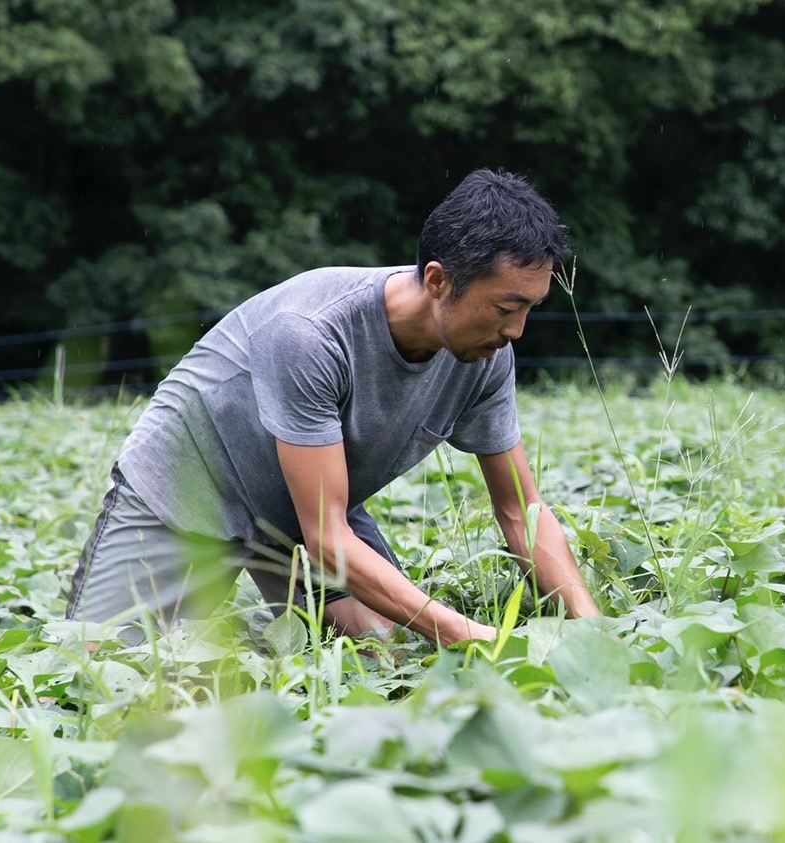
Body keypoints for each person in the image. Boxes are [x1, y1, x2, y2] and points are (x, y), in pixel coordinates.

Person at [66, 169, 601, 646]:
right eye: (507, 307)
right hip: (187, 490)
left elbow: (520, 512)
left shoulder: (486, 354)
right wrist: (469, 633)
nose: (516, 331)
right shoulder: (311, 332)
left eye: (531, 308)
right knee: (94, 672)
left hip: (304, 507)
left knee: (390, 653)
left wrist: (590, 624)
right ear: (438, 281)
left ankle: (254, 642)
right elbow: (328, 539)